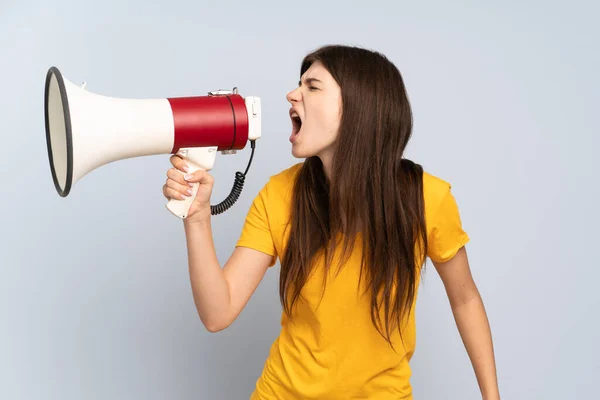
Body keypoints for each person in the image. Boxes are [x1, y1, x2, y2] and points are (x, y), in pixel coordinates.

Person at [162, 44, 500, 400]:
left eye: (312, 86)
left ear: (358, 106)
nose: (292, 94)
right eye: (299, 85)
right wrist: (197, 218)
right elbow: (218, 313)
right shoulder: (280, 195)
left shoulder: (426, 197)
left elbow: (465, 299)